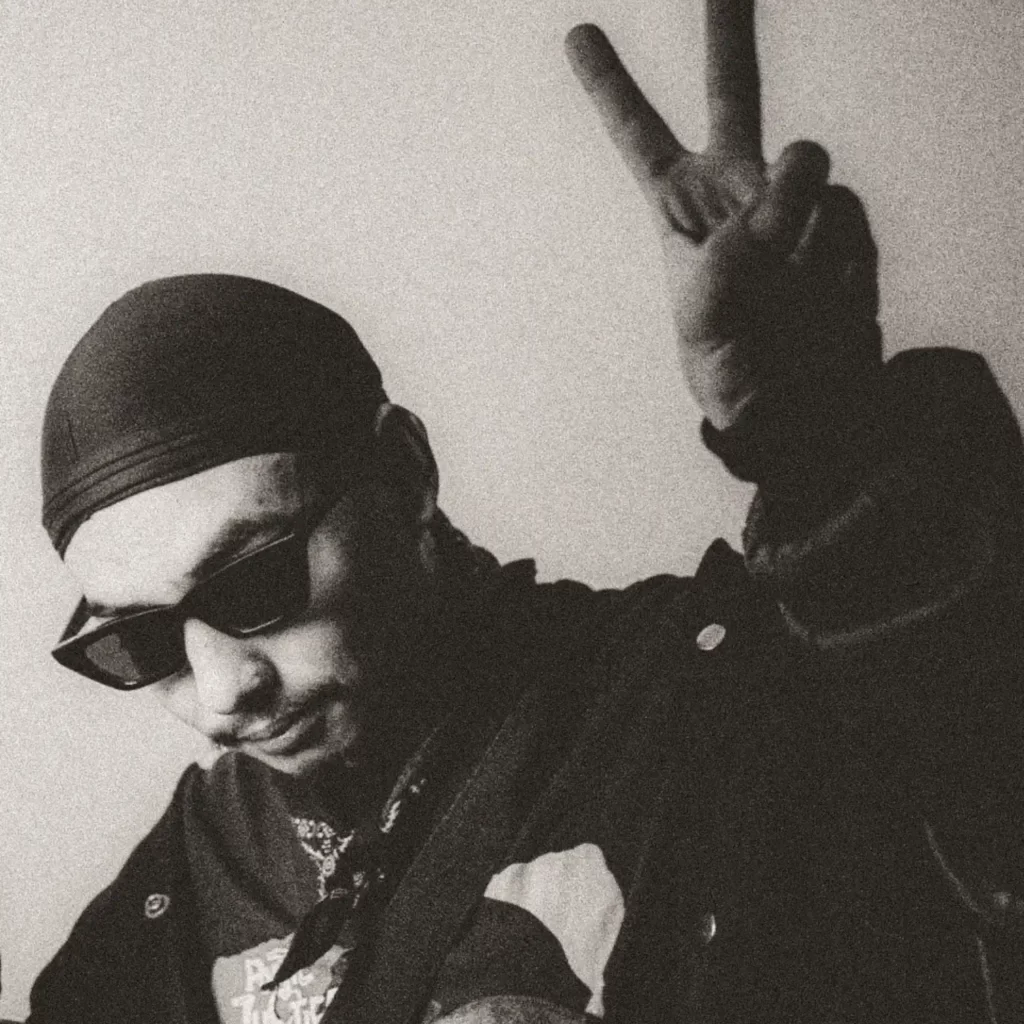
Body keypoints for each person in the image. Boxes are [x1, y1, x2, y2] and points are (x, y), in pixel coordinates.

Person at [24, 2, 1024, 1022]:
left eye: (252, 582)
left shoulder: (694, 698)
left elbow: (977, 758)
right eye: (139, 642)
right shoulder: (189, 877)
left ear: (405, 471)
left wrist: (824, 442)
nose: (222, 692)